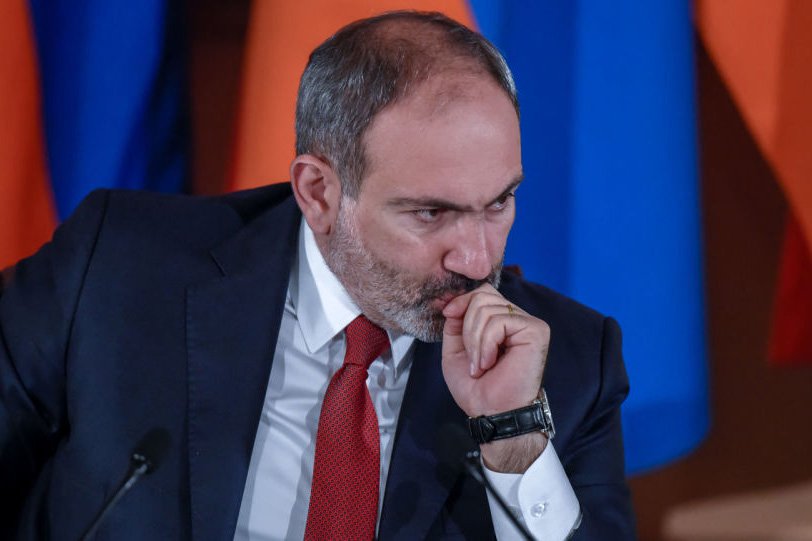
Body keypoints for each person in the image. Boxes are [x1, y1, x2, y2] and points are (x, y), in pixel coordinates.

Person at [0, 10, 635, 540]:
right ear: (319, 192)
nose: (475, 260)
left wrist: (513, 437)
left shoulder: (567, 367)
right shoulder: (117, 272)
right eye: (430, 213)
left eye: (499, 203)